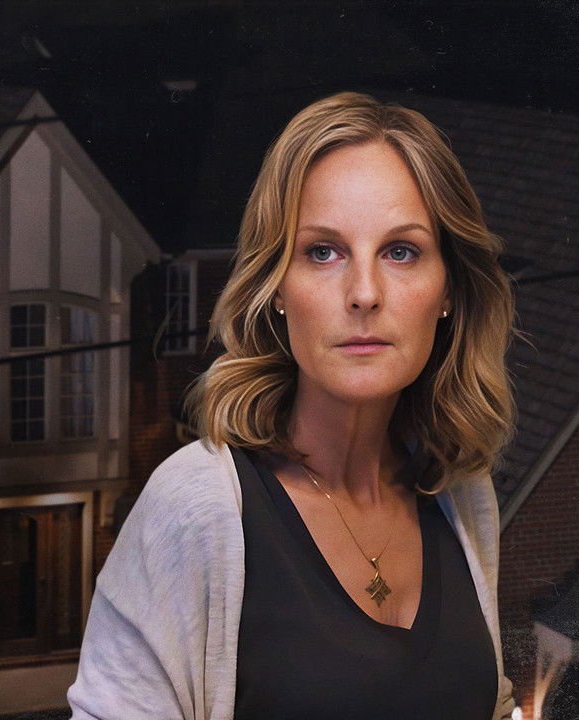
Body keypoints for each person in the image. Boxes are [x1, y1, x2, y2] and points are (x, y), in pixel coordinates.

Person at [67, 91, 518, 719]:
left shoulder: (460, 493)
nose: (364, 292)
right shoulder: (196, 509)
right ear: (277, 287)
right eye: (323, 252)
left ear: (448, 290)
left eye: (401, 251)